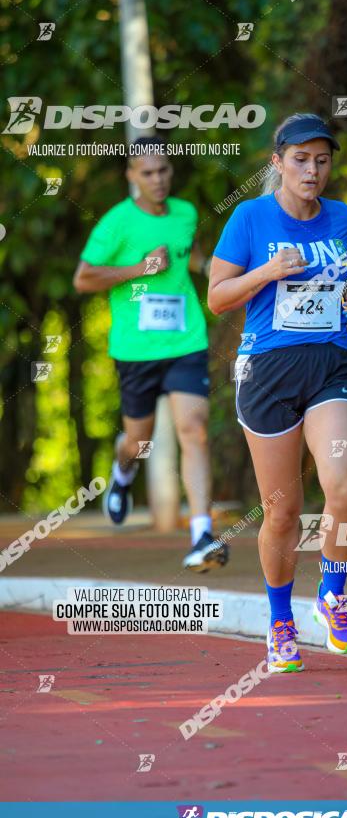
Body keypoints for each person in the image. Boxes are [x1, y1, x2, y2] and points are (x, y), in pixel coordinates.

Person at [208, 113, 347, 672]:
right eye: (300, 159)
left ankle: (332, 594)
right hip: (268, 373)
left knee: (344, 486)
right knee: (284, 513)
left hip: (331, 366)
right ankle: (280, 620)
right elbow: (218, 296)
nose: (312, 170)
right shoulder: (250, 218)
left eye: (322, 160)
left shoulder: (343, 218)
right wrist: (267, 272)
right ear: (277, 163)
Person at [73, 136, 228, 573]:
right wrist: (139, 269)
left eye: (163, 171)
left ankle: (202, 532)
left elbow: (192, 256)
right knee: (138, 442)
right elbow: (83, 279)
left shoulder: (185, 213)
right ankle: (123, 474)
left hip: (185, 341)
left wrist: (224, 272)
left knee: (193, 429)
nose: (157, 180)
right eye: (147, 173)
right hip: (136, 350)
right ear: (131, 176)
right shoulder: (116, 223)